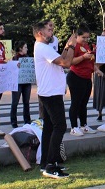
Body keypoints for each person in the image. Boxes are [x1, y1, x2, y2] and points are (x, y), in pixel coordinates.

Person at [33, 20, 76, 179]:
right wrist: (72, 46)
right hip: (50, 94)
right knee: (60, 126)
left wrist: (66, 47)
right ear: (40, 33)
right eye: (49, 30)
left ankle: (46, 162)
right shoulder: (43, 47)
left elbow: (60, 59)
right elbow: (66, 63)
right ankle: (51, 165)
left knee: (50, 128)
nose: (52, 32)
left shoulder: (45, 47)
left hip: (50, 92)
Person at [68, 26, 100, 136]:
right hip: (76, 77)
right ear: (77, 36)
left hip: (86, 78)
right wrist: (83, 57)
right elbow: (70, 61)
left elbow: (90, 63)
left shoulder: (86, 46)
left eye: (87, 37)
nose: (86, 40)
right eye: (83, 37)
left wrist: (96, 69)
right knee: (75, 103)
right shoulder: (74, 46)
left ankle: (83, 125)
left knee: (83, 104)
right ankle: (73, 127)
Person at [10, 41, 32, 128]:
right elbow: (11, 70)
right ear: (20, 49)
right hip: (17, 83)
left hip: (26, 82)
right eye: (25, 47)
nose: (27, 49)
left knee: (26, 102)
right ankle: (13, 121)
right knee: (15, 102)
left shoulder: (28, 58)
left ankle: (27, 121)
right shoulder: (15, 58)